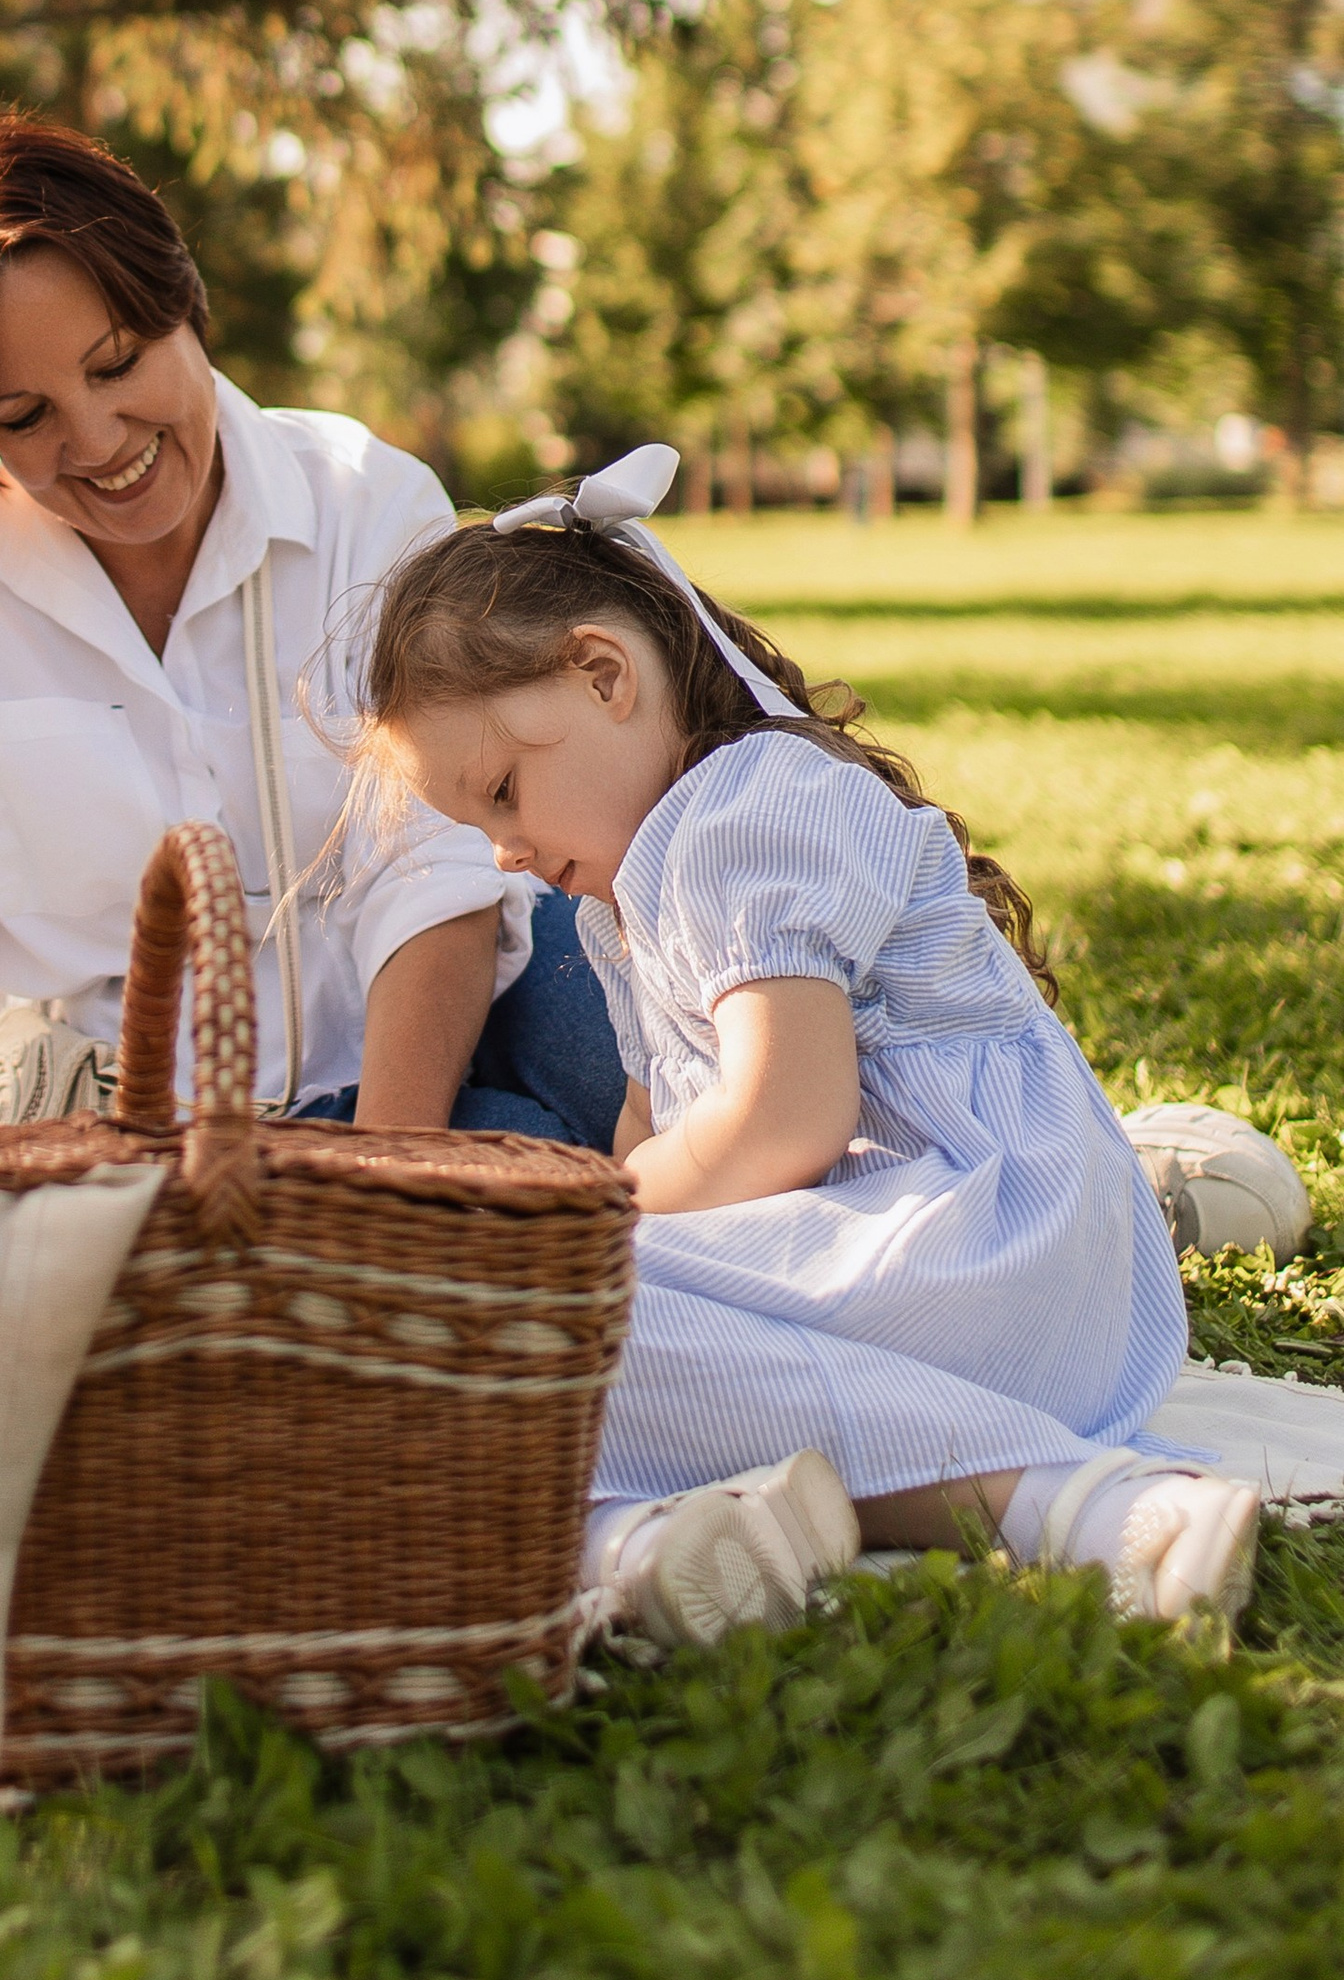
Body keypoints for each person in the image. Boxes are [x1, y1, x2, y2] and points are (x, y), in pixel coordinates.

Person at [351, 448, 1263, 1646]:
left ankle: (1066, 1506)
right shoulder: (628, 897)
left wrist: (592, 1227)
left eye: (504, 793)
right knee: (528, 1334)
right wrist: (615, 1205)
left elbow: (785, 1118)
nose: (504, 853)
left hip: (983, 1253)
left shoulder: (742, 814)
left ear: (601, 674)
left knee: (533, 1326)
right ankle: (688, 1532)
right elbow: (654, 1125)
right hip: (975, 1286)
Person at [0, 115, 626, 1139]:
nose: (97, 440)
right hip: (121, 1121)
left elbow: (431, 877)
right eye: (23, 419)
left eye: (116, 364)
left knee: (622, 1071)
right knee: (544, 1170)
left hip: (409, 1069)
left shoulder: (366, 504)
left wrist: (379, 1174)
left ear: (181, 299)